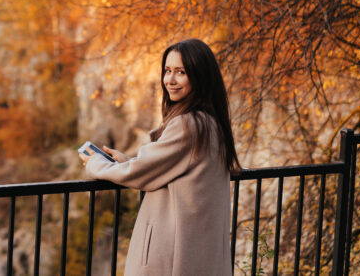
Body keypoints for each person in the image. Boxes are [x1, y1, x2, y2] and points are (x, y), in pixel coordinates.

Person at [79, 38, 241, 276]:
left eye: (181, 72)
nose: (170, 80)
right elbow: (172, 168)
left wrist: (96, 164)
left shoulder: (188, 126)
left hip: (171, 255)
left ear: (199, 77)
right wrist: (128, 161)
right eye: (167, 71)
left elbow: (137, 173)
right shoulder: (211, 123)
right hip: (198, 252)